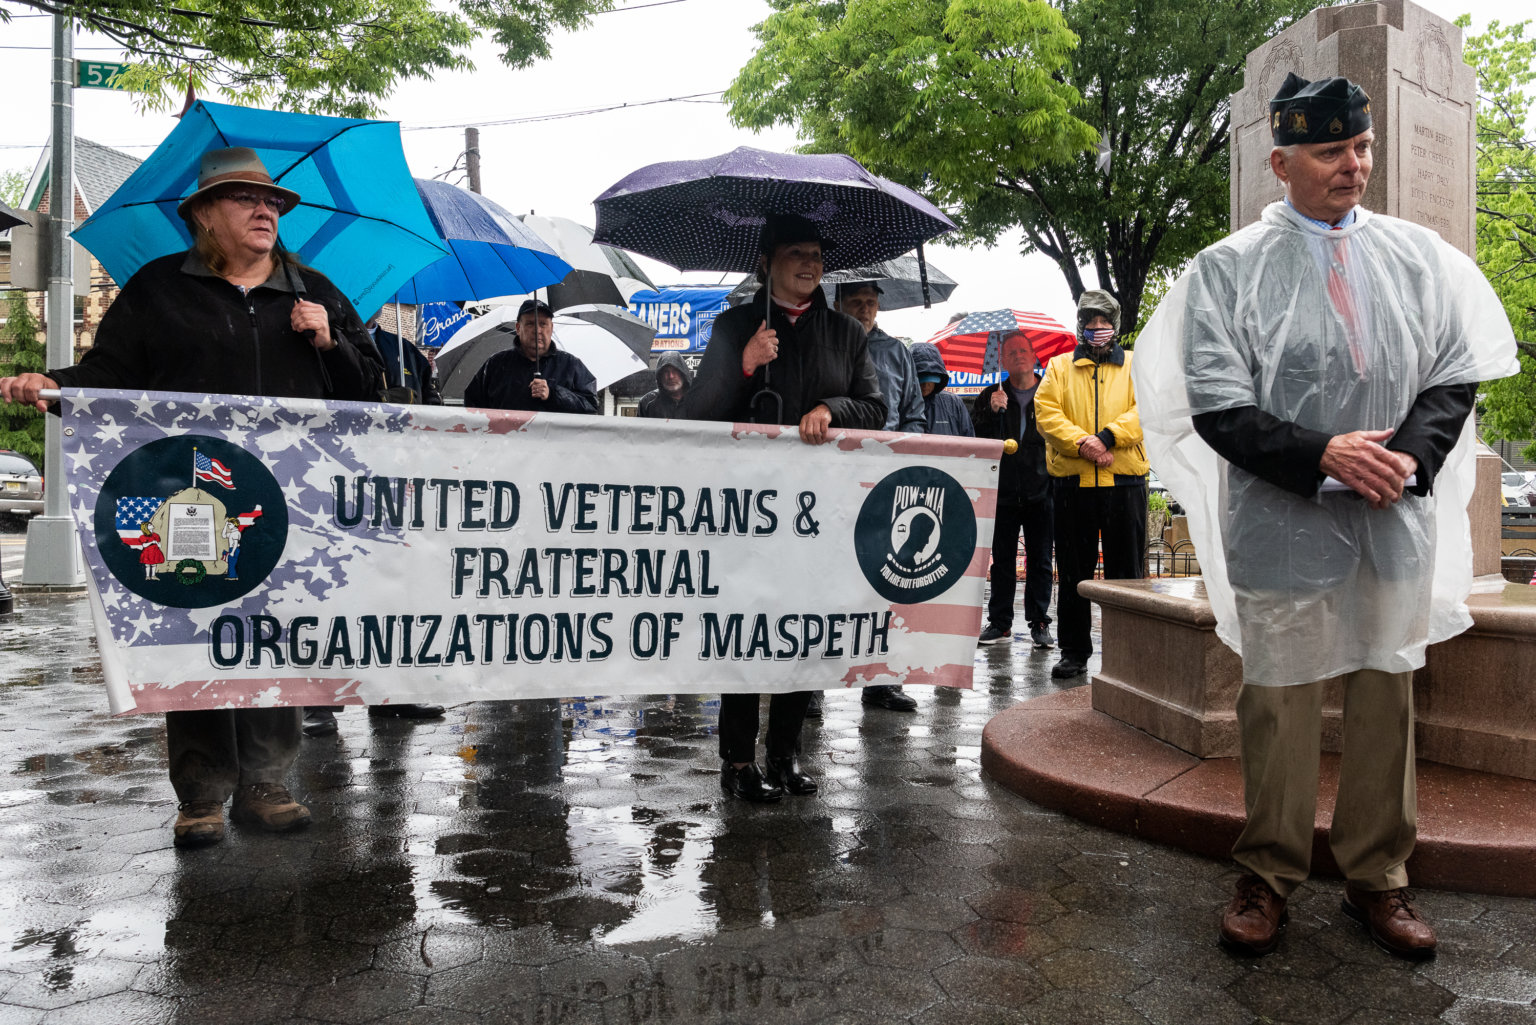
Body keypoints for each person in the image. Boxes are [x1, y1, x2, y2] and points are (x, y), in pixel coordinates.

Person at [1133, 73, 1516, 960]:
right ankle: (1268, 871)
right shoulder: (1227, 272)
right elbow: (1220, 407)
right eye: (1333, 150)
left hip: (1390, 515)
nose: (1355, 166)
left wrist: (1408, 457)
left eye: (1362, 147)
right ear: (1281, 161)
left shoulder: (1419, 258)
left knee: (1388, 690)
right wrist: (1324, 453)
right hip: (1283, 517)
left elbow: (1455, 370)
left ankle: (1379, 875)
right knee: (1280, 697)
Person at [0, 146, 386, 848]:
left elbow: (375, 397)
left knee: (273, 636)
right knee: (198, 636)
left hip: (292, 502)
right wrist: (51, 385)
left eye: (273, 203)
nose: (266, 209)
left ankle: (268, 779)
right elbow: (109, 377)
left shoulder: (315, 292)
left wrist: (331, 343)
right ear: (205, 214)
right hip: (190, 500)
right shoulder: (158, 291)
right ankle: (202, 789)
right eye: (247, 200)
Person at [685, 213, 887, 802]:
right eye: (796, 252)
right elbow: (696, 414)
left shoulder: (847, 334)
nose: (810, 264)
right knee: (746, 630)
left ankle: (785, 755)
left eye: (818, 254)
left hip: (818, 511)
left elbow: (875, 408)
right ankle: (739, 762)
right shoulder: (734, 325)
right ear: (766, 261)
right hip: (746, 506)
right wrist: (743, 363)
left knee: (803, 628)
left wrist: (832, 407)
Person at [1034, 290, 1147, 680]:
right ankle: (1074, 651)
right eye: (1090, 321)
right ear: (1080, 324)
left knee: (1127, 574)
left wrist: (1109, 437)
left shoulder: (1137, 365)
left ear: (1116, 325)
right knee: (1073, 572)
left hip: (1125, 481)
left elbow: (1147, 407)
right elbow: (1046, 413)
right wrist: (1086, 444)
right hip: (1072, 485)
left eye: (1104, 321)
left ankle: (1130, 654)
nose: (1097, 328)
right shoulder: (1059, 367)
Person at [828, 280, 924, 714]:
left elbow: (916, 414)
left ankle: (881, 681)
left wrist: (905, 454)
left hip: (888, 479)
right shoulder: (826, 342)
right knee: (825, 577)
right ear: (839, 304)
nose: (864, 309)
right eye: (856, 302)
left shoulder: (898, 351)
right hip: (835, 475)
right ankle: (809, 684)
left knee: (886, 579)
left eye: (871, 302)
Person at [968, 333, 1053, 650]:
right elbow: (976, 438)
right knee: (1002, 560)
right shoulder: (991, 393)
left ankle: (1040, 621)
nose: (1017, 355)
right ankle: (1000, 622)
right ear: (1001, 361)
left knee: (1041, 559)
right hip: (1002, 490)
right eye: (1010, 352)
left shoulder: (1050, 390)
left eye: (1023, 350)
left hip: (1042, 489)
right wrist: (991, 411)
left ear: (1034, 356)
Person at [462, 299, 598, 414]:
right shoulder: (495, 365)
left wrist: (553, 394)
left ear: (551, 328)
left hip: (554, 445)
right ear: (518, 328)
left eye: (543, 324)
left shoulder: (570, 365)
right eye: (530, 324)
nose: (537, 330)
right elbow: (472, 409)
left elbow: (591, 407)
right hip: (505, 444)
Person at [909, 343, 975, 439]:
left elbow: (969, 439)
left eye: (931, 380)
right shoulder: (902, 403)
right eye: (921, 380)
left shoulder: (953, 403)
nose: (926, 385)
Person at [637, 352, 693, 419]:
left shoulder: (697, 400)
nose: (671, 376)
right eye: (666, 371)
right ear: (660, 376)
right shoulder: (647, 402)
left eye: (675, 370)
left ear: (683, 373)